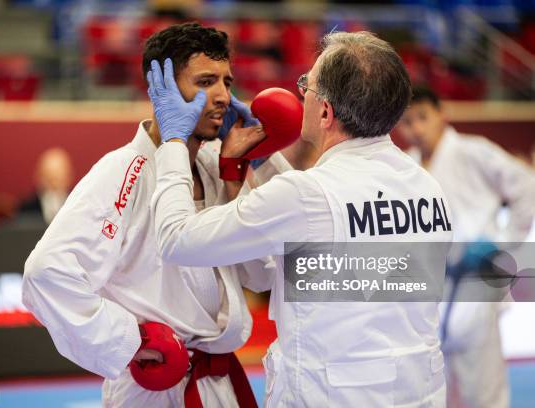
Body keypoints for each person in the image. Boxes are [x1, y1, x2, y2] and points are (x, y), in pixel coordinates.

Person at [149, 31, 453, 407]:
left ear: (325, 112)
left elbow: (177, 239)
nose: (300, 95)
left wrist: (174, 143)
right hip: (419, 391)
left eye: (306, 85)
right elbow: (321, 233)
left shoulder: (305, 197)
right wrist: (264, 160)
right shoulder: (428, 187)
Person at [22, 22, 284, 407]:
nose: (223, 97)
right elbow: (45, 273)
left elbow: (261, 275)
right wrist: (130, 340)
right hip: (157, 386)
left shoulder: (215, 166)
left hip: (220, 381)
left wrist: (246, 171)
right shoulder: (123, 170)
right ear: (162, 92)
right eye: (205, 81)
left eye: (227, 83)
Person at [397, 86, 535, 408]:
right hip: (432, 283)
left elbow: (527, 186)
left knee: (481, 388)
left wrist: (503, 244)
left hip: (477, 274)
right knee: (435, 389)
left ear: (441, 115)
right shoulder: (405, 166)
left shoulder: (474, 151)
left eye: (422, 117)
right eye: (406, 122)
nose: (416, 128)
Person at [20, 147, 75, 224]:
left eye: (58, 177)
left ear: (69, 177)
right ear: (38, 177)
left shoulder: (76, 206)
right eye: (49, 177)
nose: (53, 184)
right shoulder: (27, 208)